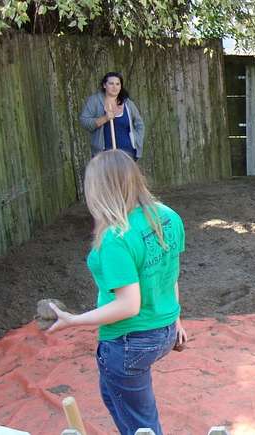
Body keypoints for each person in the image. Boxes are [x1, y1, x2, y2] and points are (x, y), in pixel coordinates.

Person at [47, 150, 187, 434]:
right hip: (163, 333)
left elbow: (128, 306)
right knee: (114, 395)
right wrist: (176, 320)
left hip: (129, 342)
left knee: (140, 426)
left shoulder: (115, 238)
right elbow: (168, 273)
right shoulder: (167, 216)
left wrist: (73, 320)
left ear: (100, 190)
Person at [80, 72, 145, 160]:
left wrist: (136, 141)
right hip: (104, 155)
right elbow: (84, 121)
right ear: (104, 85)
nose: (115, 87)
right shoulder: (95, 101)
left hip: (128, 154)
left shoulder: (127, 103)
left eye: (117, 84)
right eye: (111, 83)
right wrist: (105, 118)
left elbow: (139, 124)